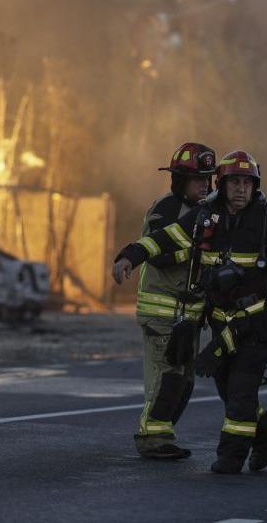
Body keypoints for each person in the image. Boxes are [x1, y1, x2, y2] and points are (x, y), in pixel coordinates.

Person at [112, 150, 267, 474]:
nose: (241, 189)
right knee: (227, 387)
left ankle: (231, 457)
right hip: (221, 324)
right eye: (235, 182)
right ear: (223, 184)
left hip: (257, 322)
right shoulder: (205, 217)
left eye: (247, 183)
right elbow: (165, 238)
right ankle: (264, 432)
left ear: (255, 186)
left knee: (242, 387)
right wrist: (129, 257)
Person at [115, 143, 218, 460]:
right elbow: (159, 253)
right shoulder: (166, 208)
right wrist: (197, 250)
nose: (204, 185)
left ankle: (162, 433)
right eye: (197, 179)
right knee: (167, 377)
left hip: (188, 316)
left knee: (184, 382)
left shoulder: (208, 214)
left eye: (208, 179)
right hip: (161, 313)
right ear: (179, 181)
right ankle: (151, 437)